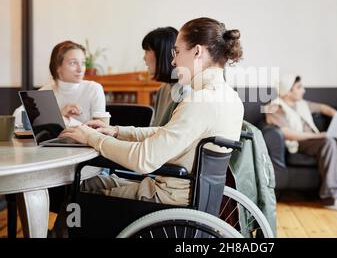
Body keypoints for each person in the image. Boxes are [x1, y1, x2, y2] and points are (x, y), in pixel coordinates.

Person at [60, 17, 244, 207]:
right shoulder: (230, 98)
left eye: (177, 52)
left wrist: (91, 138)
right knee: (94, 181)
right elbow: (165, 134)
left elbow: (143, 159)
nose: (173, 61)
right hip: (187, 196)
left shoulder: (199, 101)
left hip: (164, 200)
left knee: (82, 186)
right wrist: (117, 131)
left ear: (197, 51)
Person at [265, 75, 337, 211]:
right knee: (327, 141)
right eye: (299, 87)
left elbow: (323, 108)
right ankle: (331, 198)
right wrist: (316, 136)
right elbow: (285, 133)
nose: (303, 90)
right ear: (287, 91)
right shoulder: (274, 107)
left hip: (315, 139)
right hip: (298, 143)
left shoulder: (302, 104)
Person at [14, 41, 106, 127]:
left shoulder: (94, 89)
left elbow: (101, 128)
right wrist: (59, 115)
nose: (80, 69)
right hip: (51, 144)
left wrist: (60, 120)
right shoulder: (46, 91)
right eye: (73, 63)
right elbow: (17, 117)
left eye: (83, 63)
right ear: (58, 67)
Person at [141, 27, 183, 126]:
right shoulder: (163, 88)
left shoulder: (184, 91)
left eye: (147, 51)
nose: (144, 57)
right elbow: (155, 128)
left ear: (162, 54)